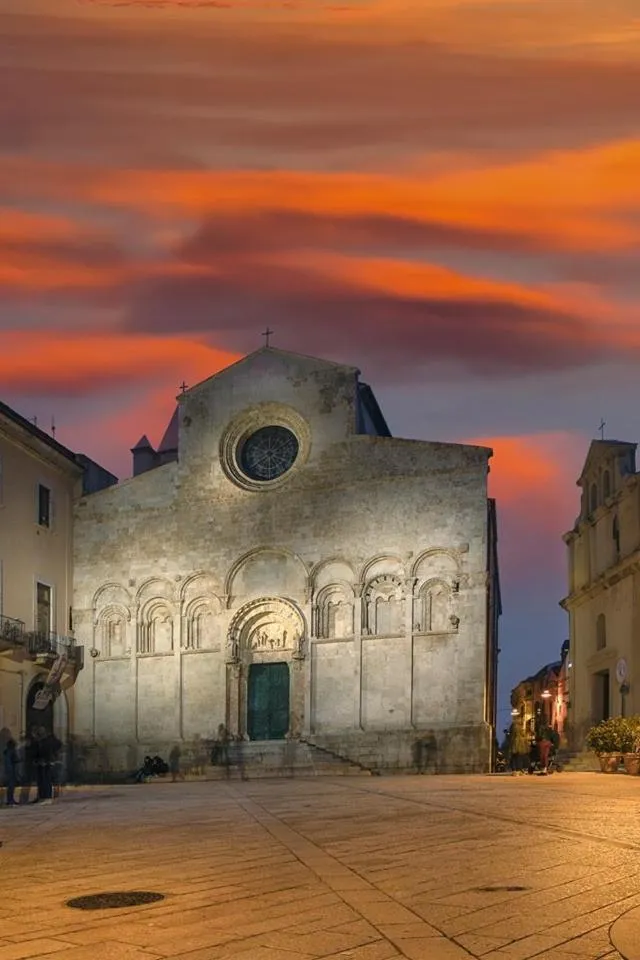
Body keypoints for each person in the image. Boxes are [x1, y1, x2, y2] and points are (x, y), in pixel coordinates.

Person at [3, 738, 18, 806]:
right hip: (11, 770)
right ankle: (10, 800)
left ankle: (11, 800)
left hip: (9, 770)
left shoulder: (7, 752)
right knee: (11, 786)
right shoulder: (11, 751)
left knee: (11, 786)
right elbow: (15, 759)